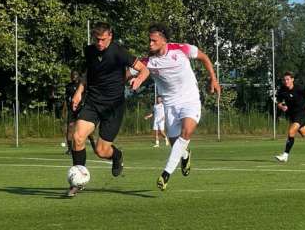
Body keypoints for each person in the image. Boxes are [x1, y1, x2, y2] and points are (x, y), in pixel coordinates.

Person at [67, 22, 149, 197]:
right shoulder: (89, 51)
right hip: (93, 103)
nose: (100, 43)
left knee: (101, 151)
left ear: (110, 36)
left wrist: (138, 80)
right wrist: (79, 92)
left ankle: (117, 156)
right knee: (77, 137)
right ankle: (78, 181)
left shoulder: (119, 52)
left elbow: (144, 69)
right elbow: (88, 74)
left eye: (103, 40)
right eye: (97, 39)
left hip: (113, 106)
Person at [140, 23, 220, 191]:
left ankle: (165, 174)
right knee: (176, 141)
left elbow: (204, 57)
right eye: (149, 40)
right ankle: (185, 154)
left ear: (163, 40)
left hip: (190, 99)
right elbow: (128, 73)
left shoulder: (182, 49)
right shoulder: (148, 61)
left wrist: (214, 79)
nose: (150, 44)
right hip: (169, 105)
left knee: (187, 132)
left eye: (153, 40)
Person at [64, 70, 96, 154]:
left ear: (78, 76)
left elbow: (86, 95)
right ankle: (70, 149)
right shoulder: (68, 87)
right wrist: (65, 108)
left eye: (75, 74)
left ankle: (94, 147)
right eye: (72, 75)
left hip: (81, 109)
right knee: (70, 127)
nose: (74, 76)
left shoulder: (82, 85)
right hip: (72, 109)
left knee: (87, 130)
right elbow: (66, 99)